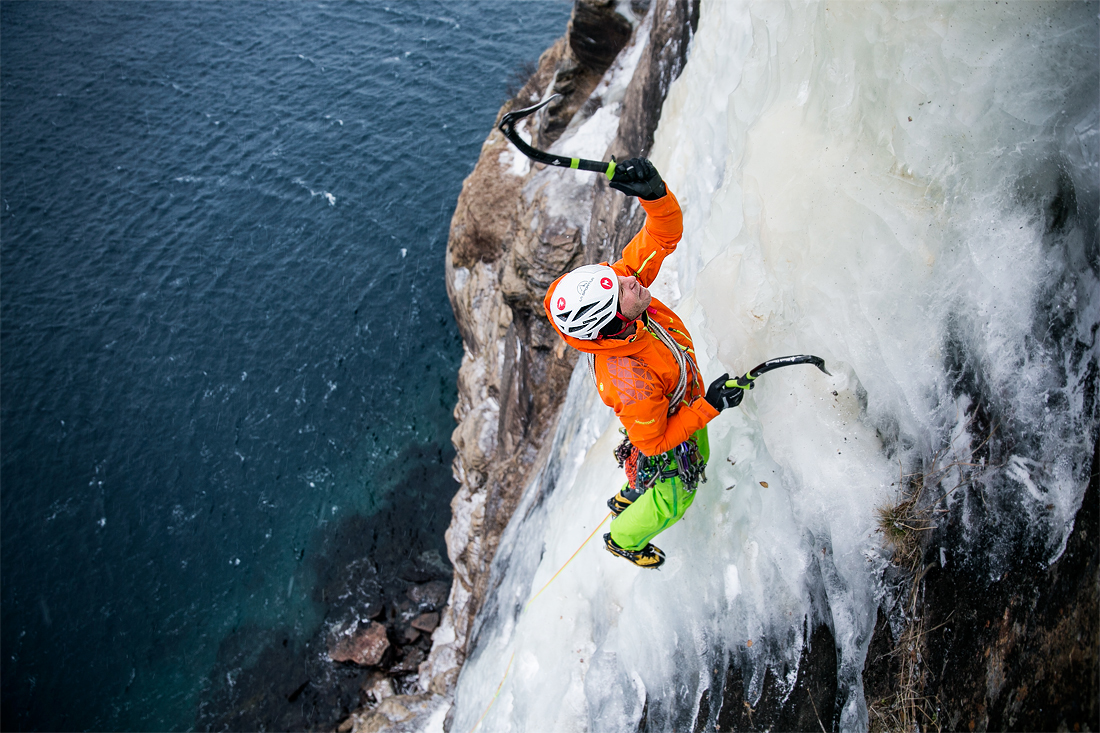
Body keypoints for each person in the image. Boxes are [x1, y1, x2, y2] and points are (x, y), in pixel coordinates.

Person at [542, 158, 749, 569]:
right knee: (675, 498)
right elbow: (654, 442)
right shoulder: (630, 378)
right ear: (614, 321)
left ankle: (632, 490)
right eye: (620, 288)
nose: (630, 278)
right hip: (662, 421)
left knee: (670, 447)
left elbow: (662, 234)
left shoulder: (621, 301)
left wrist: (655, 196)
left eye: (617, 277)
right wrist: (708, 405)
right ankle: (624, 538)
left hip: (661, 408)